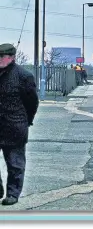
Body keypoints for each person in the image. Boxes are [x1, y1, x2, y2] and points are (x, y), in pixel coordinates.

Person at [0, 43, 39, 205]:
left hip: (14, 125)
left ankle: (13, 193)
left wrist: (26, 120)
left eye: (2, 56)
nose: (0, 59)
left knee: (15, 162)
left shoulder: (23, 76)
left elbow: (32, 103)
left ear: (12, 57)